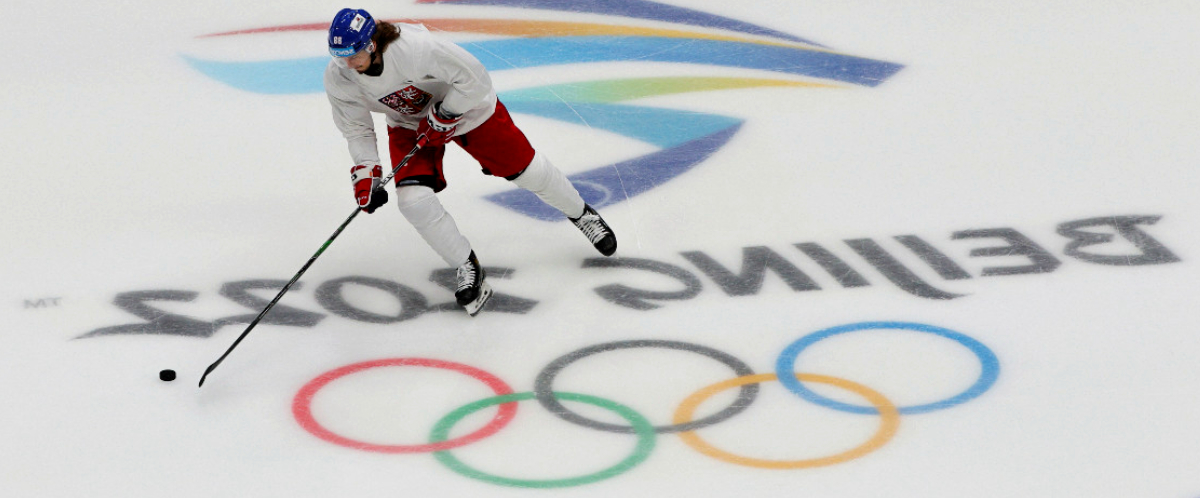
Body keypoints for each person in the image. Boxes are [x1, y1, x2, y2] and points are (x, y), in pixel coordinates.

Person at [324, 8, 617, 316]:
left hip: (469, 110)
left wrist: (448, 111)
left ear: (372, 44)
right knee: (412, 201)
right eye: (339, 55)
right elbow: (356, 128)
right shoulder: (340, 76)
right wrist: (366, 172)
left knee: (527, 172)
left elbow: (475, 77)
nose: (347, 63)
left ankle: (581, 214)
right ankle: (467, 266)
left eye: (353, 54)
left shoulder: (415, 49)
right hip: (410, 123)